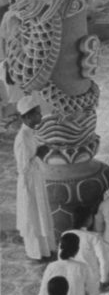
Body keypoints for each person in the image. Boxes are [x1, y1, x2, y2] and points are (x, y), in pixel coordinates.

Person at [14, 93, 56, 261]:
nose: (40, 116)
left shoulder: (30, 132)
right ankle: (37, 252)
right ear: (28, 116)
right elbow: (23, 168)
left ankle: (47, 249)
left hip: (36, 179)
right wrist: (38, 153)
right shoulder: (22, 138)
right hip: (29, 183)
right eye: (38, 113)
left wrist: (40, 151)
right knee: (34, 217)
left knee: (41, 215)